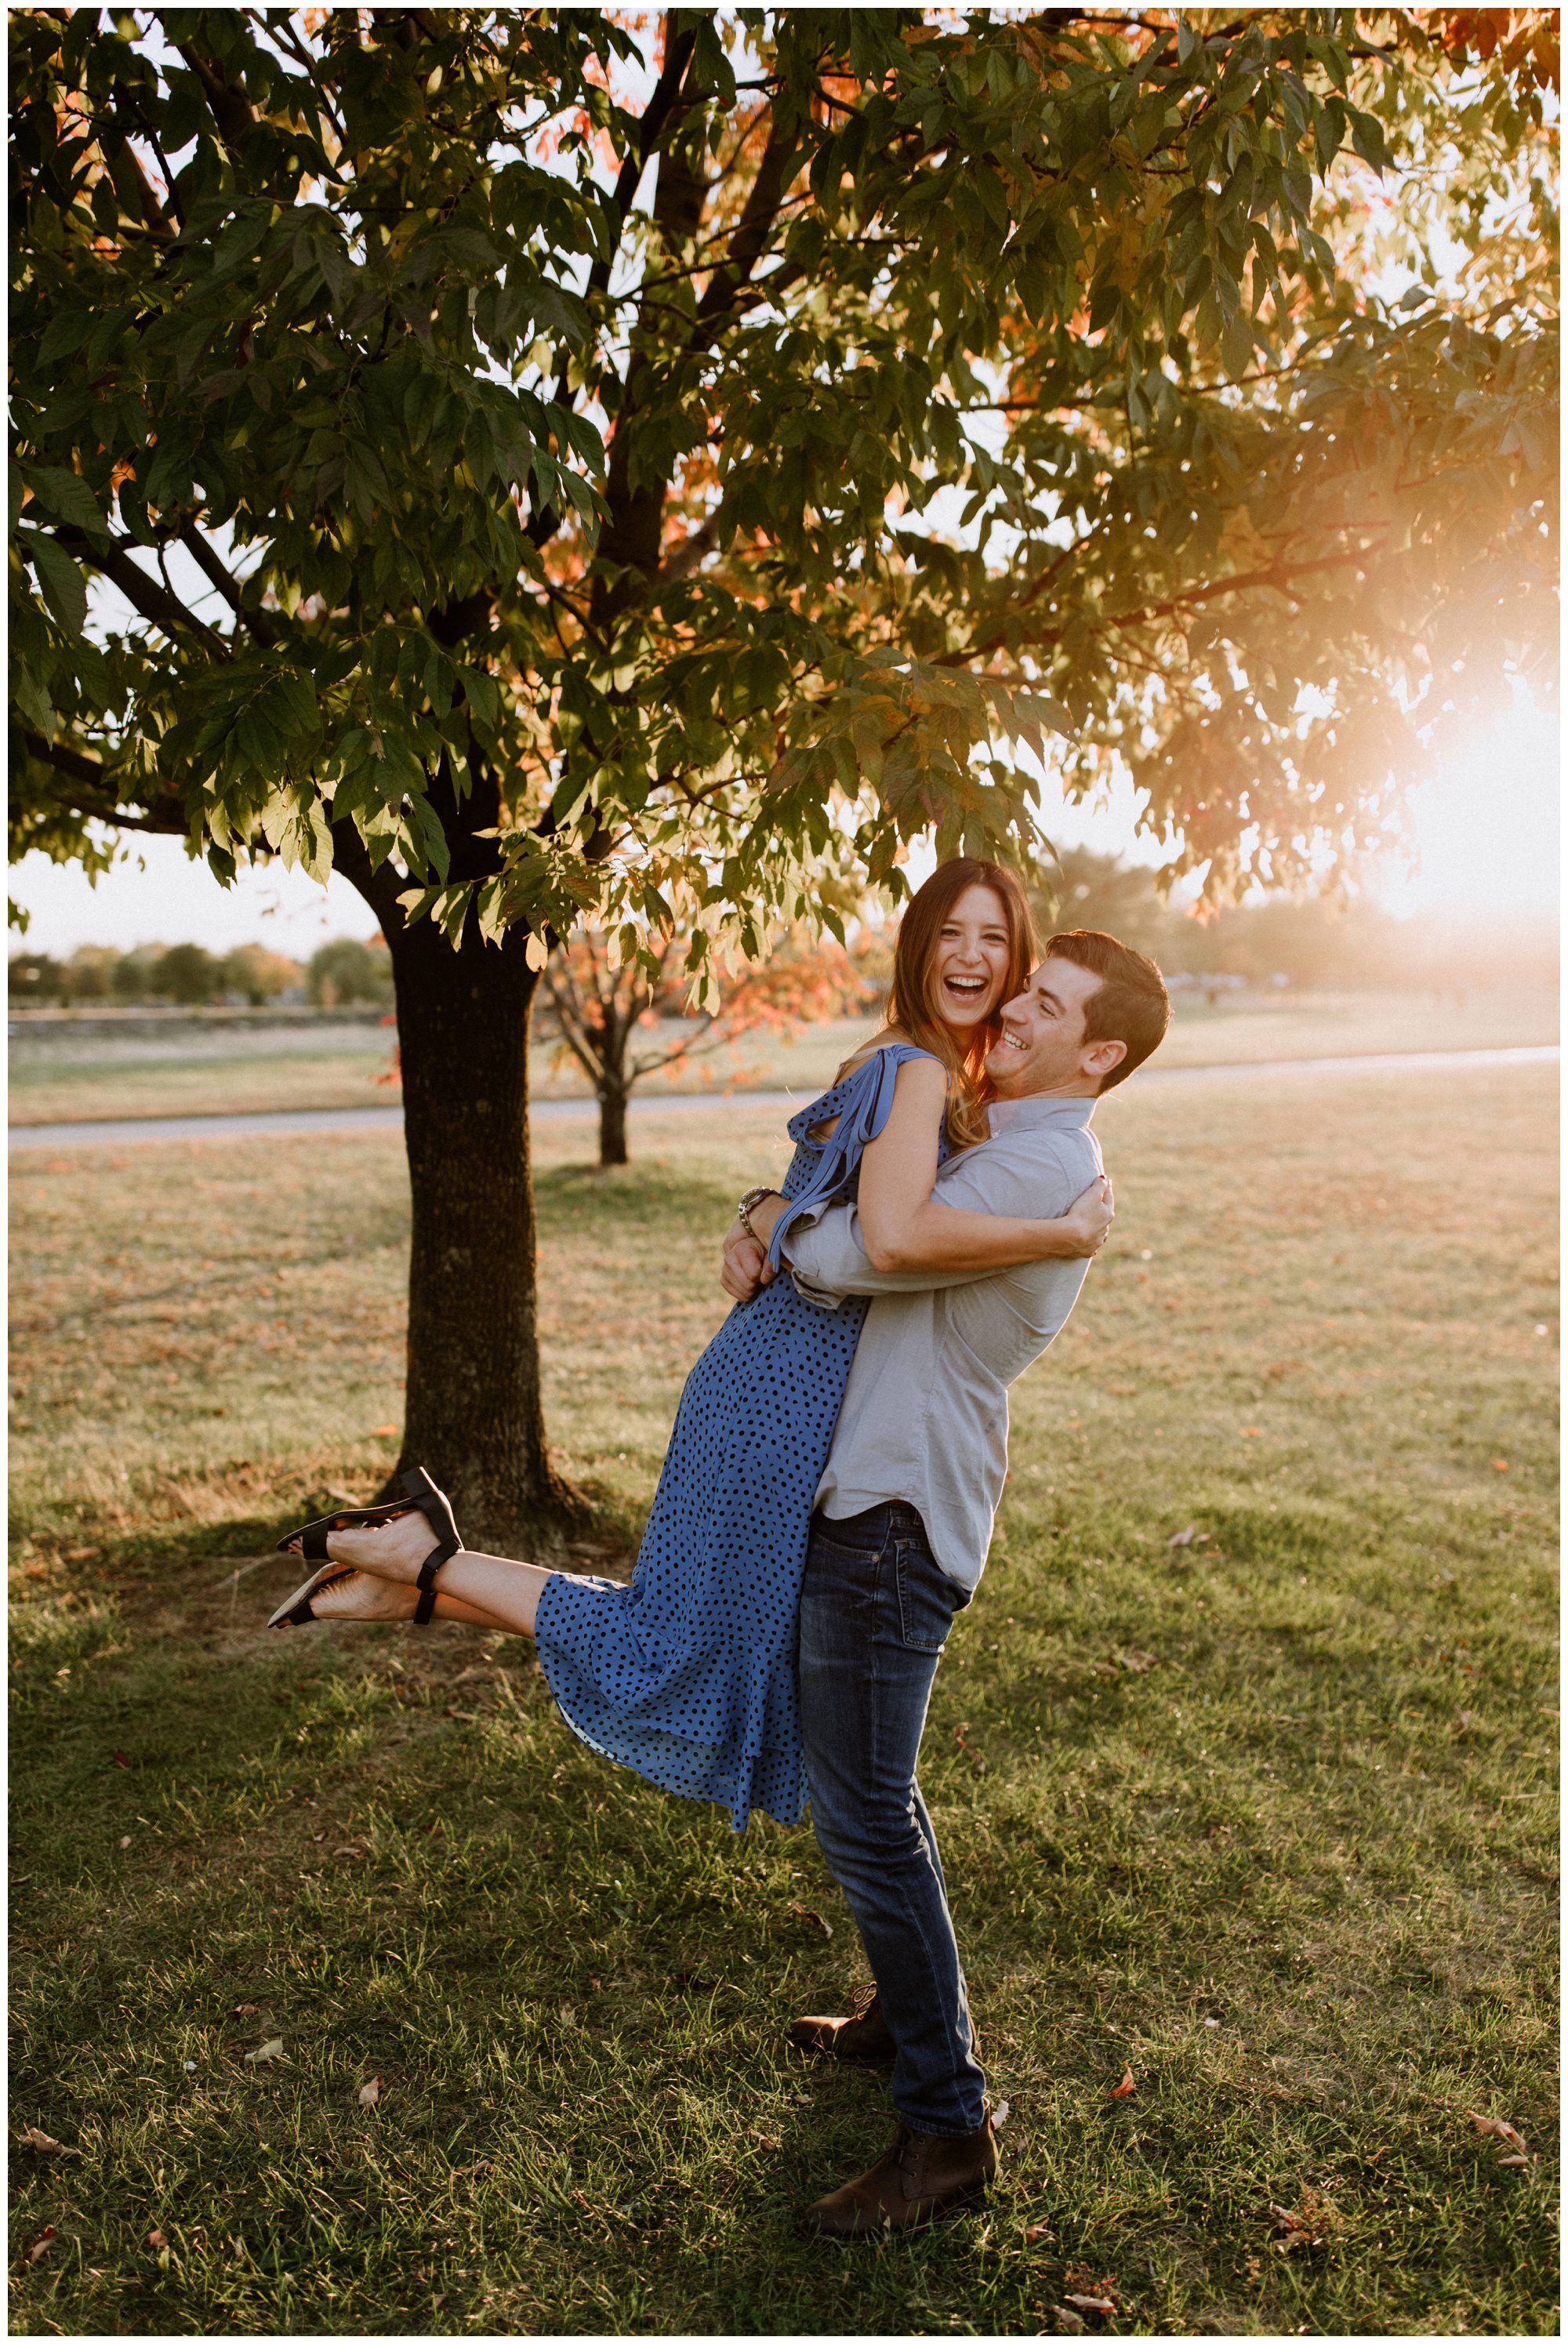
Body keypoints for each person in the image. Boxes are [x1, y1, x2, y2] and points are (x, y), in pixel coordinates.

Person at [269, 863, 1113, 1846]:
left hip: (774, 1372)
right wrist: (1059, 1234)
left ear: (1015, 963)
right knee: (676, 1642)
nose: (970, 958)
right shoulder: (919, 1069)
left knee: (697, 1637)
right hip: (787, 1388)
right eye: (950, 934)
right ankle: (424, 1556)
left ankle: (416, 1583)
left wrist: (757, 1214)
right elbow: (890, 1239)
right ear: (917, 946)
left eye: (994, 940)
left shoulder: (907, 1060)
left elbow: (818, 1205)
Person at [721, 928, 1172, 2233]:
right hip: (881, 1497)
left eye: (1047, 1003)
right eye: (1022, 988)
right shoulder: (1009, 1144)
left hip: (896, 1518)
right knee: (872, 1797)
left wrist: (776, 1222)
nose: (1012, 1007)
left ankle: (947, 2126)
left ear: (1100, 1053)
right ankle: (899, 2018)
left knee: (868, 1813)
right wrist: (757, 1210)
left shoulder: (1043, 1165)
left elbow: (856, 1250)